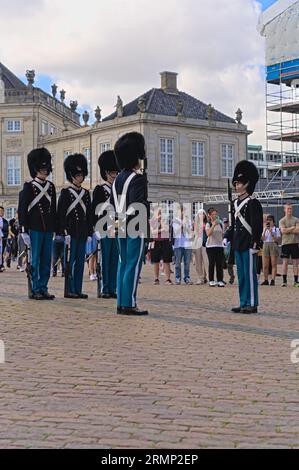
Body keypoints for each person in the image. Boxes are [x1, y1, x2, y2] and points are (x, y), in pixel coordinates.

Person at [110, 132, 149, 316]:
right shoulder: (138, 178)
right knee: (133, 264)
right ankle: (129, 303)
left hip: (119, 225)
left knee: (122, 263)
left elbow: (111, 206)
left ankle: (121, 302)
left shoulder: (116, 179)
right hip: (135, 225)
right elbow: (138, 205)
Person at [18, 148, 56, 300]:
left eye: (46, 169)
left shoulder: (51, 187)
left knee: (47, 260)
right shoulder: (29, 187)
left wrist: (56, 229)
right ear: (35, 169)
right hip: (34, 228)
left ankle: (43, 287)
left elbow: (53, 209)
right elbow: (22, 209)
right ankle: (35, 288)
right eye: (42, 169)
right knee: (35, 260)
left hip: (48, 229)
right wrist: (23, 230)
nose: (45, 172)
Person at [57, 153, 93, 299]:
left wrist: (90, 232)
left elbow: (89, 214)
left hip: (82, 232)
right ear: (72, 176)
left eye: (82, 174)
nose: (81, 177)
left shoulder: (85, 193)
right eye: (78, 175)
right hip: (71, 232)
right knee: (70, 262)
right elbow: (61, 214)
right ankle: (70, 289)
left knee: (80, 262)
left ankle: (78, 288)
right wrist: (64, 232)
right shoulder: (66, 193)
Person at [230, 160, 263, 314]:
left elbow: (256, 225)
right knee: (241, 276)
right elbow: (234, 224)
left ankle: (252, 303)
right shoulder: (234, 203)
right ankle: (243, 302)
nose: (237, 185)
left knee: (250, 276)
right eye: (235, 183)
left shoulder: (253, 202)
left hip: (249, 243)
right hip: (238, 243)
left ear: (247, 183)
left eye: (239, 183)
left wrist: (256, 242)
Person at [92, 150, 119, 298]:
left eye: (116, 173)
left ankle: (113, 287)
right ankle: (105, 286)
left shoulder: (119, 190)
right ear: (106, 173)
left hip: (117, 227)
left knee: (115, 259)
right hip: (104, 227)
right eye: (112, 173)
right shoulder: (100, 190)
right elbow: (95, 210)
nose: (114, 176)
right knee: (105, 259)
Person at [150, 206, 173, 285]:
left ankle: (168, 279)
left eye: (161, 212)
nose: (160, 214)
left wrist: (161, 222)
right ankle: (156, 278)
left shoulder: (165, 220)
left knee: (167, 261)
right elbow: (152, 232)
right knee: (155, 261)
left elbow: (166, 229)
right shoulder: (152, 221)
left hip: (165, 241)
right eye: (158, 212)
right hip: (155, 241)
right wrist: (160, 229)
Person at [172, 205, 193, 285]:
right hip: (178, 244)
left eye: (183, 211)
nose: (182, 213)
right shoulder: (175, 221)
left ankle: (187, 277)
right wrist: (181, 225)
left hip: (187, 244)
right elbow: (176, 232)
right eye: (180, 211)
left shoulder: (189, 220)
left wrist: (186, 225)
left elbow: (190, 232)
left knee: (187, 263)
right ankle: (177, 278)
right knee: (177, 263)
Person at [279, 204, 299, 288]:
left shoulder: (296, 219)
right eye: (288, 209)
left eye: (290, 209)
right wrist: (292, 228)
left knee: (295, 263)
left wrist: (288, 229)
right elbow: (283, 231)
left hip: (295, 243)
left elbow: (297, 230)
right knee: (285, 263)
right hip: (285, 244)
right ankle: (284, 281)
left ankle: (295, 281)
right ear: (285, 210)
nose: (289, 210)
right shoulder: (282, 220)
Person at [205, 208, 225, 287]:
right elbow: (208, 234)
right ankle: (211, 280)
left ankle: (220, 280)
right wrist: (213, 225)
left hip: (219, 246)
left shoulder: (221, 224)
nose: (215, 216)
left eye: (216, 214)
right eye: (213, 214)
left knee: (219, 264)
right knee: (212, 263)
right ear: (209, 216)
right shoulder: (208, 224)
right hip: (210, 246)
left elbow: (222, 234)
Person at [261, 215, 281, 286]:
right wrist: (265, 230)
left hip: (273, 244)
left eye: (270, 220)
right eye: (267, 220)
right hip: (265, 244)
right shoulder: (264, 228)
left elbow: (277, 239)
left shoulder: (276, 229)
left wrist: (271, 232)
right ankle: (265, 280)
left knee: (273, 264)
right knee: (265, 264)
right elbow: (262, 239)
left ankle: (273, 280)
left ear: (273, 221)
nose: (268, 221)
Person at [192, 208, 209, 285]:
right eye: (200, 214)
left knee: (207, 262)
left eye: (203, 214)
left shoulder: (208, 223)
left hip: (206, 244)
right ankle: (200, 278)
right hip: (197, 244)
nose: (201, 215)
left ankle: (208, 277)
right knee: (198, 262)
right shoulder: (196, 224)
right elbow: (194, 235)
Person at [0, 206, 8, 271]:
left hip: (4, 238)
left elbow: (6, 229)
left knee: (2, 252)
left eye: (2, 211)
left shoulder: (5, 221)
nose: (1, 212)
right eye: (0, 211)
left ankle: (1, 264)